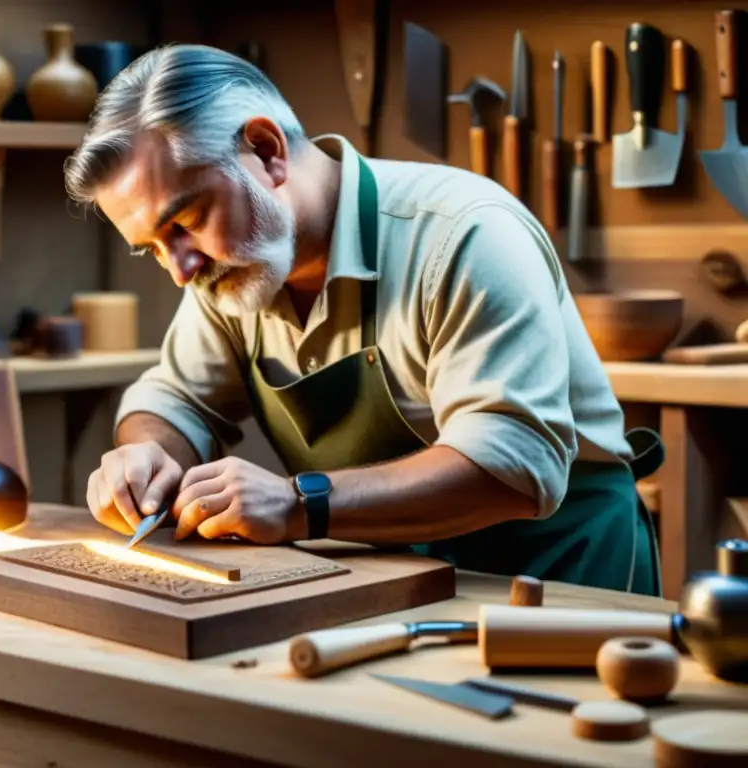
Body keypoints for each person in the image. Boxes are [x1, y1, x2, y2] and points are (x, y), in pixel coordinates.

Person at [63, 44, 663, 595]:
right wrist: (146, 456)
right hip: (398, 579)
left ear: (266, 151)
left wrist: (300, 504)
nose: (178, 270)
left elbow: (511, 464)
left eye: (185, 222)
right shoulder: (232, 270)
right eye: (152, 247)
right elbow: (176, 399)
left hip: (562, 579)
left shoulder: (465, 234)